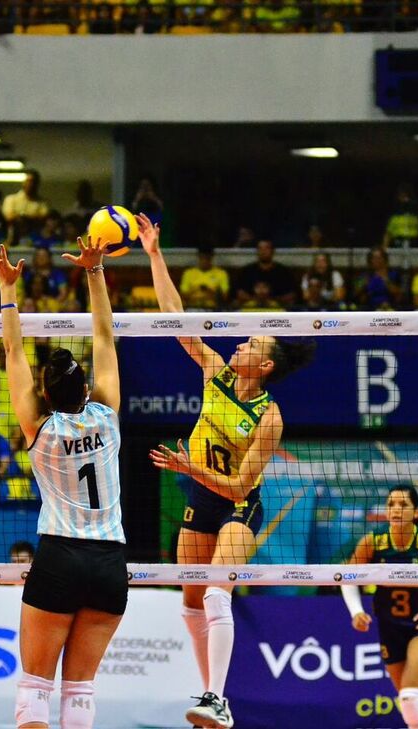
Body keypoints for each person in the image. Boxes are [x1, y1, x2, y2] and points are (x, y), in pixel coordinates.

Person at [139, 213, 315, 729]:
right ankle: (212, 696)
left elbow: (242, 484)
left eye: (252, 346)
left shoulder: (270, 417)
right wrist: (153, 253)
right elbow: (174, 317)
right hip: (203, 499)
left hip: (239, 505)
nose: (241, 344)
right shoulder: (215, 374)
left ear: (263, 368)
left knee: (218, 589)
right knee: (190, 599)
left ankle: (216, 696)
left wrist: (189, 465)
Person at [0, 237, 126, 729]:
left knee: (35, 688)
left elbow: (12, 347)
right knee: (80, 689)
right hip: (110, 562)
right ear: (87, 388)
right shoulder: (107, 417)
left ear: (43, 393)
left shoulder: (38, 429)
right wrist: (94, 271)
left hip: (61, 556)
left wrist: (8, 289)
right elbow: (105, 337)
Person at [341, 485, 418, 729]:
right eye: (391, 504)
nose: (396, 510)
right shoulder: (373, 542)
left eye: (403, 505)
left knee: (410, 698)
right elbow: (347, 578)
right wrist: (356, 611)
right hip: (389, 628)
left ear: (416, 512)